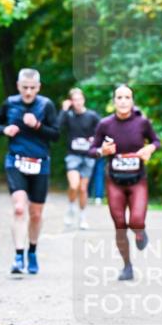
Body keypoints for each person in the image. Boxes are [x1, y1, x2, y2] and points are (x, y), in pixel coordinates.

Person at [0, 68, 60, 275]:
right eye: (25, 88)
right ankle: (18, 256)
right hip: (16, 161)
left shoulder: (46, 105)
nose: (28, 92)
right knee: (20, 208)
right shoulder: (10, 103)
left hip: (40, 162)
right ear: (18, 86)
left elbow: (56, 135)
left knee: (36, 214)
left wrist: (38, 125)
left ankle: (32, 251)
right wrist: (4, 130)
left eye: (32, 88)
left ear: (38, 87)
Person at [88, 85, 160, 281]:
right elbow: (91, 149)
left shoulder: (142, 122)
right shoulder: (105, 124)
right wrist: (102, 151)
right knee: (119, 224)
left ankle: (139, 231)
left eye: (127, 97)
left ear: (132, 101)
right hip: (114, 181)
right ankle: (127, 266)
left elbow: (156, 141)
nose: (123, 101)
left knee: (136, 221)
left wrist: (150, 149)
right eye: (119, 97)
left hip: (138, 180)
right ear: (114, 101)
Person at [58, 88, 101, 229]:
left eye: (79, 99)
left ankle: (82, 217)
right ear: (71, 101)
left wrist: (95, 139)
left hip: (88, 156)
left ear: (84, 100)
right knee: (73, 185)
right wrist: (64, 110)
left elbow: (102, 131)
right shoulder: (68, 116)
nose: (77, 102)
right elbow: (57, 127)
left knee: (83, 188)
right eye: (74, 100)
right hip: (73, 155)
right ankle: (71, 208)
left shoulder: (92, 116)